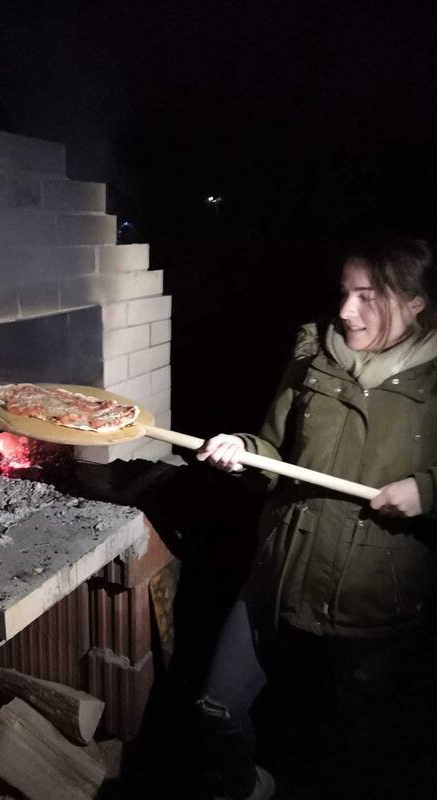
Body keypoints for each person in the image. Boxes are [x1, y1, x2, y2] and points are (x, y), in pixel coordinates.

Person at [195, 236, 437, 800]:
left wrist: (428, 489)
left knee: (352, 742)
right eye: (344, 292)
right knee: (215, 708)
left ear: (415, 303)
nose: (346, 310)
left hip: (376, 597)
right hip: (281, 570)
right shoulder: (313, 357)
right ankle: (248, 787)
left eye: (367, 296)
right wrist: (243, 451)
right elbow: (274, 451)